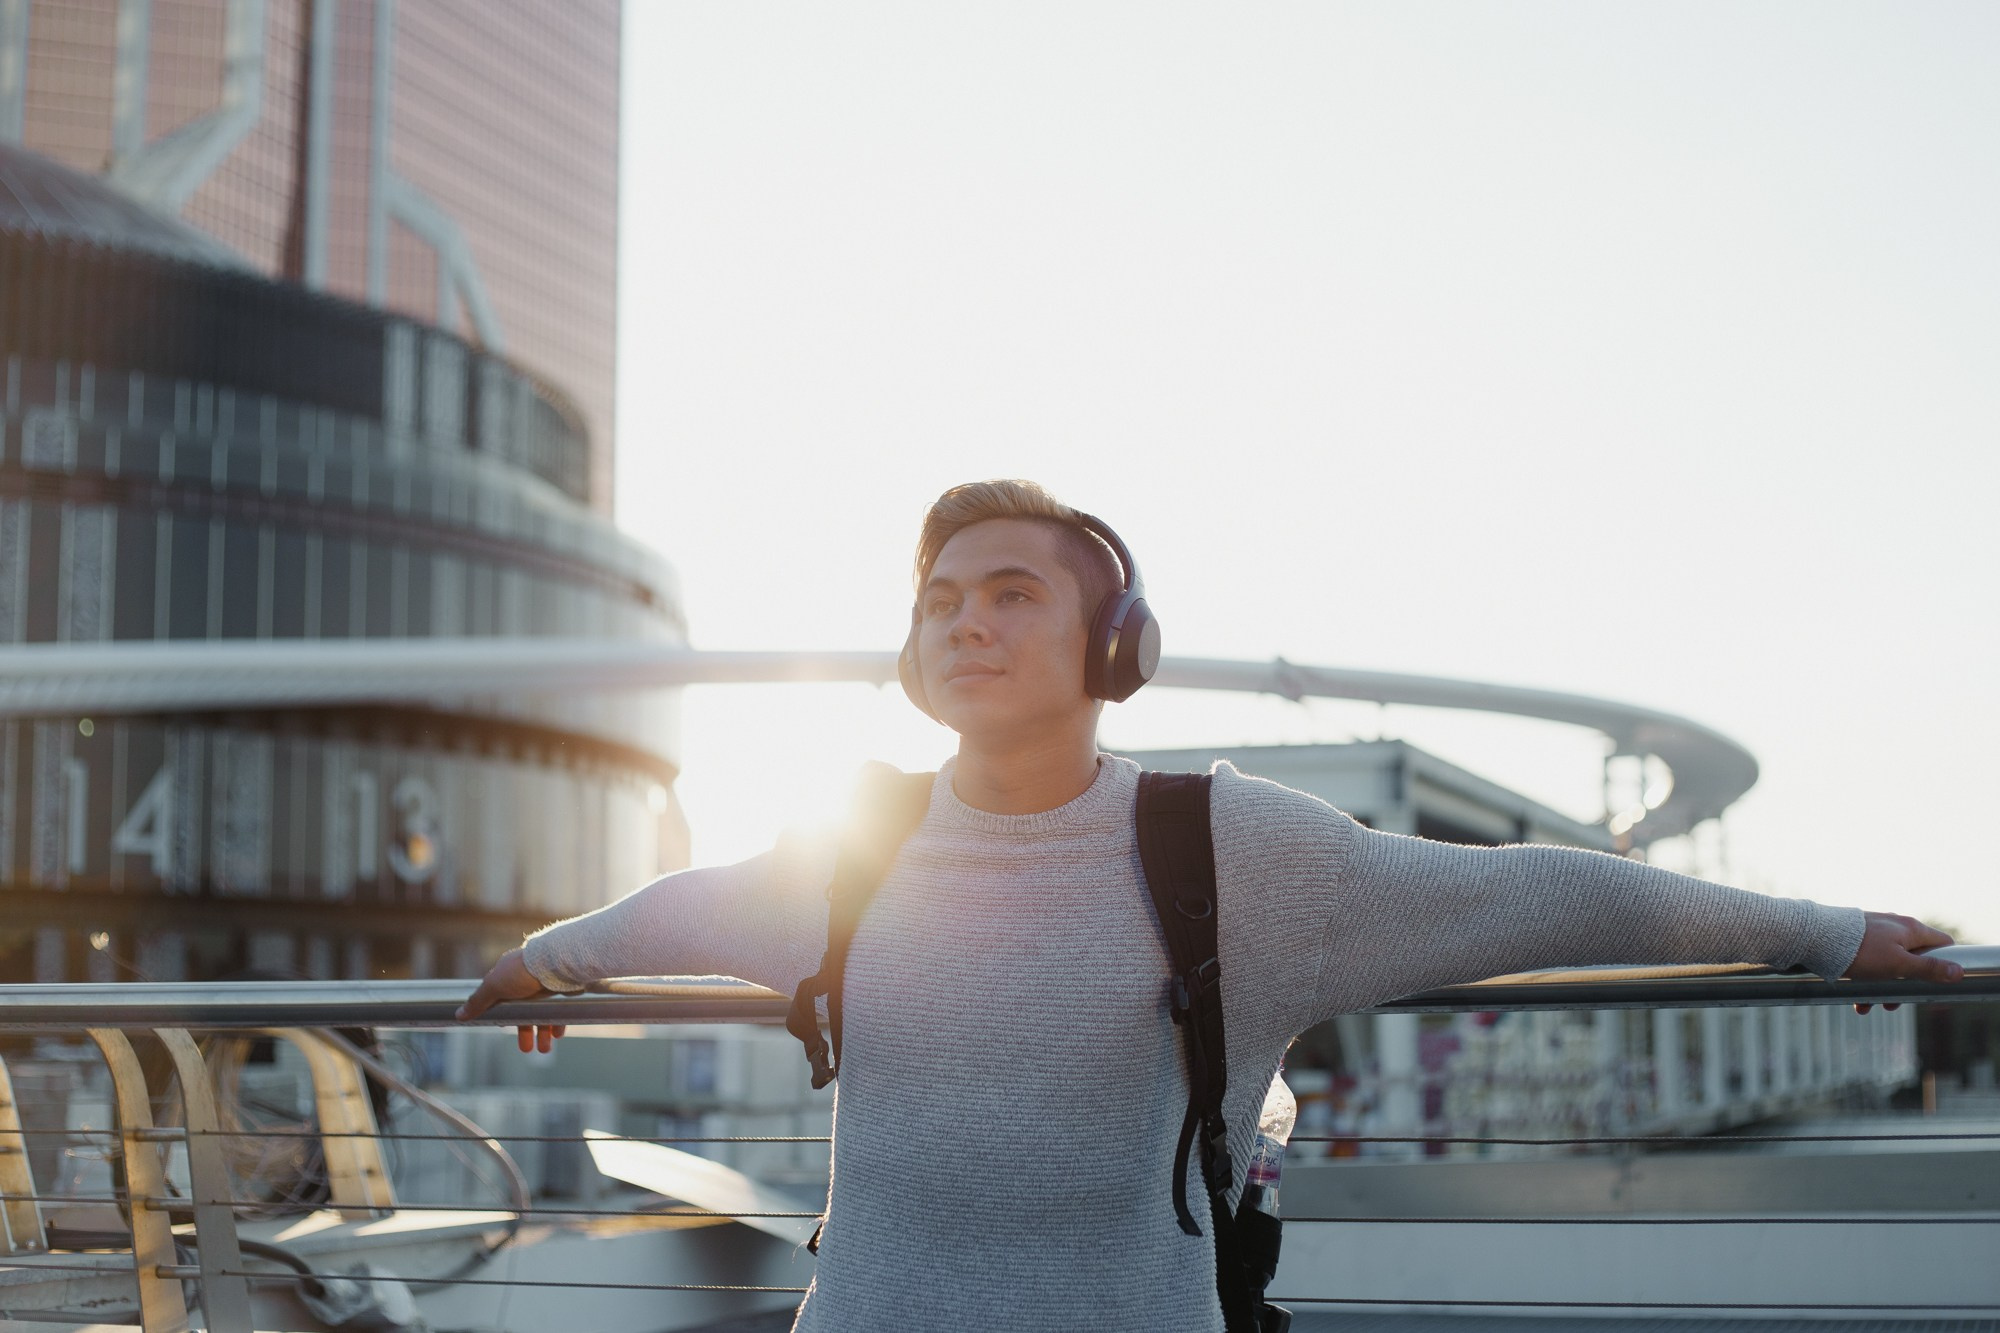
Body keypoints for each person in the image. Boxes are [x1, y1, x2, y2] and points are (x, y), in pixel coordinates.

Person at [457, 479, 1960, 1331]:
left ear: (1117, 645)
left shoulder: (1233, 848)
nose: (966, 620)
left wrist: (1822, 931)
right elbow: (681, 907)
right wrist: (549, 961)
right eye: (940, 600)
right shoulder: (848, 844)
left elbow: (1540, 892)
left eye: (1011, 593)